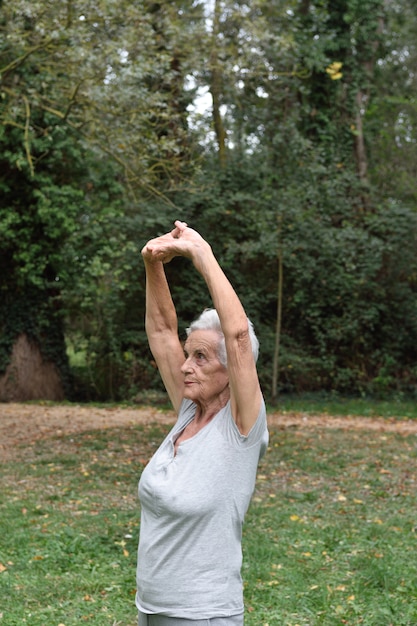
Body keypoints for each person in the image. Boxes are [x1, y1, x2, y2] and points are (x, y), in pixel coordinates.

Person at [136, 220, 268, 626]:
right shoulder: (189, 411)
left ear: (232, 372)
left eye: (201, 357)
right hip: (152, 610)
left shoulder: (241, 428)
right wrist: (152, 264)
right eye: (188, 354)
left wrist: (200, 252)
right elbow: (161, 331)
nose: (186, 366)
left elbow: (238, 336)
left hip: (203, 615)